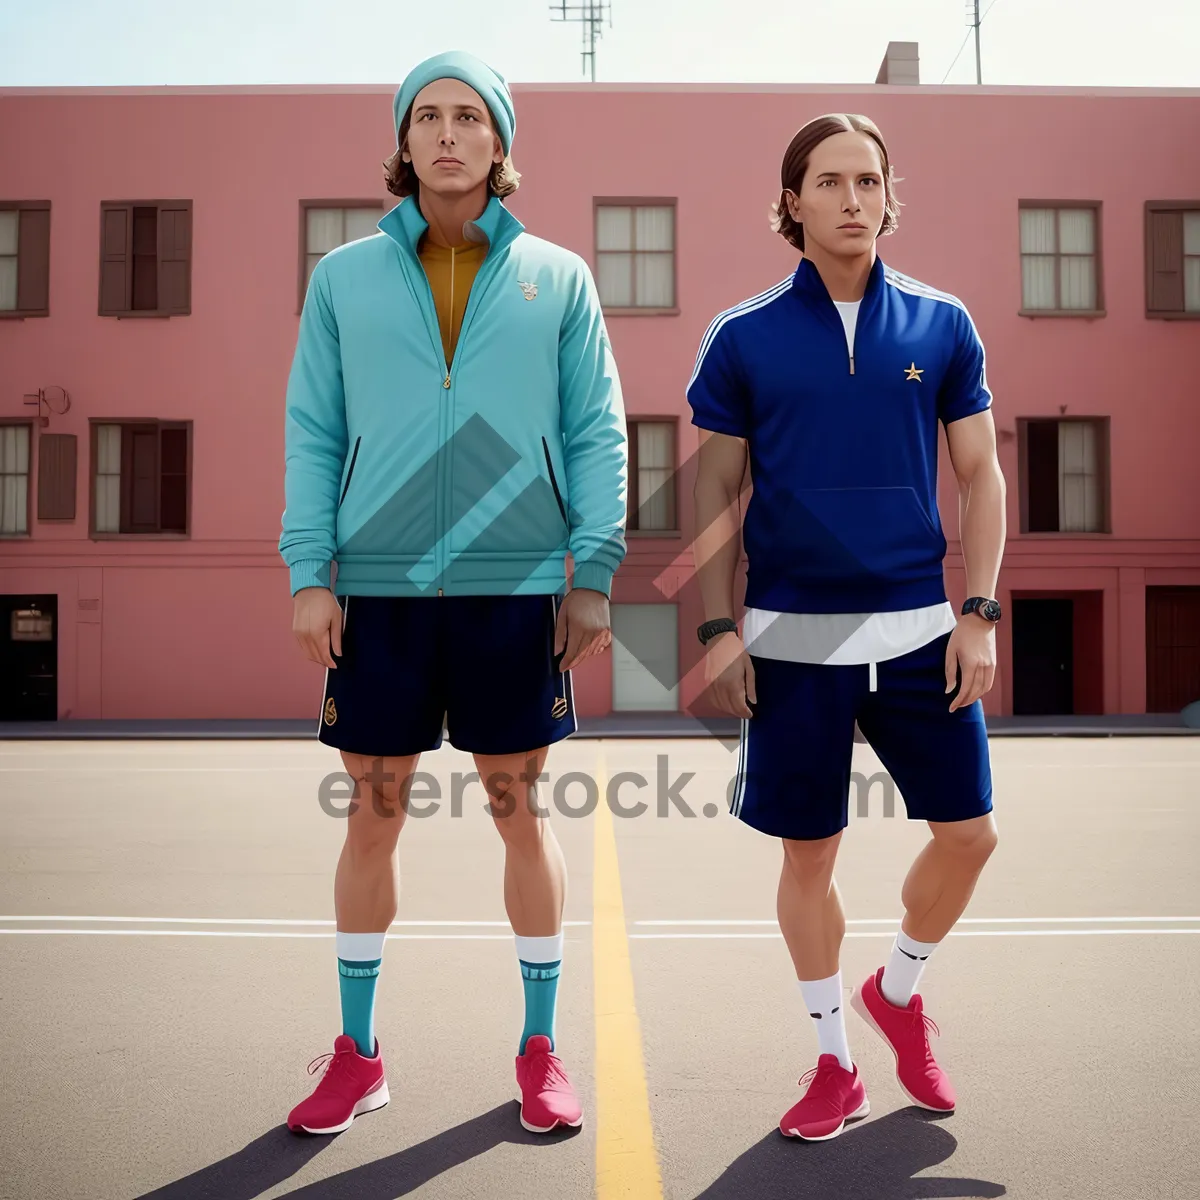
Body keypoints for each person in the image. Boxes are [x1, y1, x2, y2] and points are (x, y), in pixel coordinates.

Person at [278, 50, 627, 1136]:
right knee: (372, 817)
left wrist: (594, 573)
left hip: (514, 582)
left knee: (519, 814)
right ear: (403, 141)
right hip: (377, 591)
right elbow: (313, 428)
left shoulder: (559, 277)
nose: (445, 132)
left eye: (467, 116)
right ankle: (357, 1054)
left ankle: (539, 1049)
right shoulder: (341, 278)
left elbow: (595, 428)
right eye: (425, 115)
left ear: (499, 143)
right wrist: (309, 572)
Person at [688, 113, 1004, 1142]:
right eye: (830, 181)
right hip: (792, 640)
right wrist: (715, 631)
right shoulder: (743, 337)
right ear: (794, 200)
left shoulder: (944, 325)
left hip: (921, 628)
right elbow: (716, 493)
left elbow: (980, 472)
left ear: (886, 194)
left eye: (869, 179)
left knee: (969, 836)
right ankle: (833, 1061)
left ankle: (899, 993)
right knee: (808, 858)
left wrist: (979, 612)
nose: (854, 198)